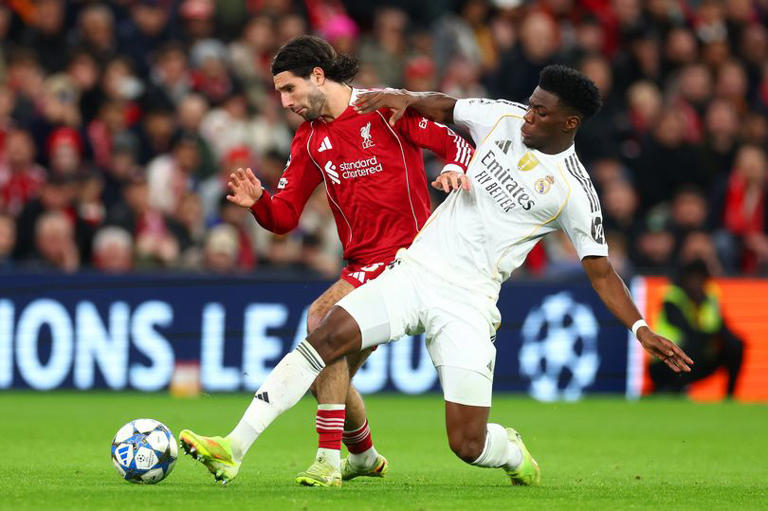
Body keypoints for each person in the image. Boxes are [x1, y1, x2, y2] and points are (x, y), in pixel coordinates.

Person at [180, 65, 692, 487]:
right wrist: (401, 95)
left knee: (467, 444)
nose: (528, 114)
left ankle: (511, 451)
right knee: (325, 333)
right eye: (531, 102)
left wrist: (640, 329)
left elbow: (601, 272)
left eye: (541, 111)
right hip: (416, 270)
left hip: (469, 302)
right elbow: (446, 107)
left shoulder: (573, 193)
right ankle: (233, 448)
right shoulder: (504, 117)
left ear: (570, 123)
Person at [179, 35, 473, 487]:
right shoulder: (309, 140)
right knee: (325, 376)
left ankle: (305, 458)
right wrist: (260, 202)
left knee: (321, 321)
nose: (284, 102)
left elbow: (457, 144)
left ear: (318, 76)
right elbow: (284, 218)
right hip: (359, 266)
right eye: (279, 92)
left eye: (289, 89)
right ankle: (364, 457)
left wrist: (454, 167)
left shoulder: (385, 107)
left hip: (410, 259)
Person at [650, 259, 743, 398]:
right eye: (692, 279)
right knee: (694, 346)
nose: (696, 284)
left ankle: (730, 396)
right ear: (683, 280)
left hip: (693, 359)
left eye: (701, 279)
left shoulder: (710, 299)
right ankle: (670, 388)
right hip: (665, 363)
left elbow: (724, 332)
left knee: (735, 345)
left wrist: (729, 342)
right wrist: (712, 338)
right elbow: (689, 333)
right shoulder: (673, 299)